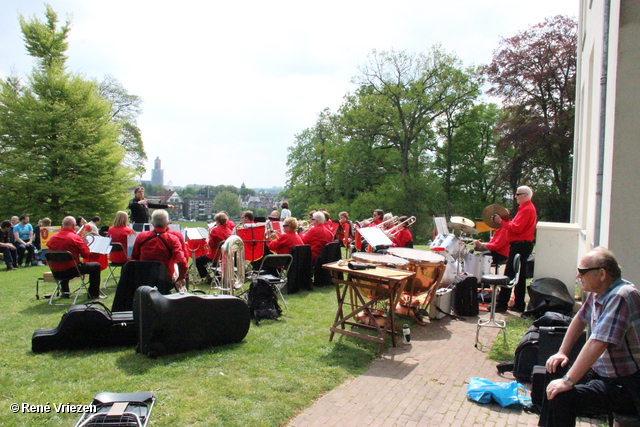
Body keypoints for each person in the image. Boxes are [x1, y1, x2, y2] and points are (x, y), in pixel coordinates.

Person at [539, 247, 640, 427]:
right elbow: (579, 319)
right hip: (602, 374)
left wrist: (568, 381)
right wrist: (562, 352)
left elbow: (598, 342)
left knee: (561, 395)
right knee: (553, 368)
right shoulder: (599, 293)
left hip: (627, 385)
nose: (578, 276)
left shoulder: (621, 296)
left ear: (602, 274)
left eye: (582, 272)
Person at [493, 186, 537, 312]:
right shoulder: (525, 208)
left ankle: (502, 305)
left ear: (525, 195)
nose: (516, 196)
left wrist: (501, 222)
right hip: (522, 245)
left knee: (510, 274)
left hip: (520, 245)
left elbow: (517, 228)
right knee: (519, 275)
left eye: (518, 194)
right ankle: (519, 304)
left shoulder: (527, 209)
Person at [131, 209, 187, 291]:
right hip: (163, 278)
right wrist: (181, 277)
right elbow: (181, 260)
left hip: (143, 277)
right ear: (167, 223)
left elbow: (134, 257)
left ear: (152, 223)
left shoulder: (141, 236)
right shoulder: (173, 239)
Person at [47, 216, 103, 299]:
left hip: (56, 272)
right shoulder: (75, 238)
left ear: (62, 225)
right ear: (73, 226)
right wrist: (85, 244)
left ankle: (65, 293)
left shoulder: (52, 238)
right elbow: (86, 254)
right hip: (72, 271)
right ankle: (94, 294)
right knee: (96, 265)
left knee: (62, 262)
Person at [196, 212, 232, 284]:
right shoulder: (229, 231)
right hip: (225, 255)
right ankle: (217, 276)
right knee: (215, 262)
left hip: (215, 255)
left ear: (217, 221)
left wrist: (209, 237)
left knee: (198, 260)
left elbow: (211, 244)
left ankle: (207, 277)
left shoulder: (215, 230)